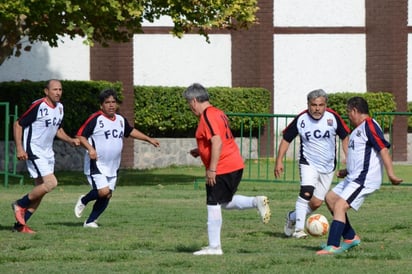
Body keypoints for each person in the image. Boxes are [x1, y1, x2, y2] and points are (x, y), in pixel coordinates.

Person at [183, 83, 271, 256]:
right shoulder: (218, 112)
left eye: (188, 103)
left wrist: (212, 169)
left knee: (213, 204)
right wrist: (200, 150)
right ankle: (256, 201)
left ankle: (214, 247)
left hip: (223, 167)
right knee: (224, 202)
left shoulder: (207, 115)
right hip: (234, 163)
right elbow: (219, 139)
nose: (189, 107)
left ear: (194, 100)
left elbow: (217, 141)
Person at [316, 96, 402, 255]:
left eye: (348, 112)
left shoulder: (370, 126)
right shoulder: (358, 130)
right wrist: (346, 171)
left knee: (340, 205)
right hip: (353, 177)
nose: (348, 116)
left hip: (364, 179)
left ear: (355, 111)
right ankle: (350, 237)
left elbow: (383, 149)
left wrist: (391, 174)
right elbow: (361, 157)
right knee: (330, 198)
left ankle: (333, 245)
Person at [74, 88, 160, 228]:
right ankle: (84, 200)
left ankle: (90, 221)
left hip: (113, 165)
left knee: (107, 195)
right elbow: (80, 135)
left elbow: (130, 131)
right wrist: (90, 149)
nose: (111, 105)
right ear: (101, 105)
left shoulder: (120, 120)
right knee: (103, 191)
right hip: (97, 163)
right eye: (107, 102)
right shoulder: (96, 119)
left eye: (113, 102)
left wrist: (148, 139)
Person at [274, 89, 350, 239]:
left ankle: (292, 216)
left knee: (316, 203)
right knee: (306, 191)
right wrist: (279, 161)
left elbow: (345, 136)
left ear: (325, 105)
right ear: (308, 104)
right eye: (314, 105)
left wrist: (348, 157)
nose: (317, 108)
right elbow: (286, 139)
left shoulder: (332, 117)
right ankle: (299, 230)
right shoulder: (301, 119)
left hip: (328, 166)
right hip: (308, 162)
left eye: (321, 105)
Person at [12, 79, 80, 233]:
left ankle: (20, 226)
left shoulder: (60, 108)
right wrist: (19, 148)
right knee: (51, 183)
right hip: (34, 150)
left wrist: (70, 140)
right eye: (54, 89)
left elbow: (58, 129)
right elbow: (18, 124)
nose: (58, 93)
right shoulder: (39, 106)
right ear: (46, 91)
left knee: (40, 191)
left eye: (60, 90)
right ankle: (19, 204)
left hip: (48, 152)